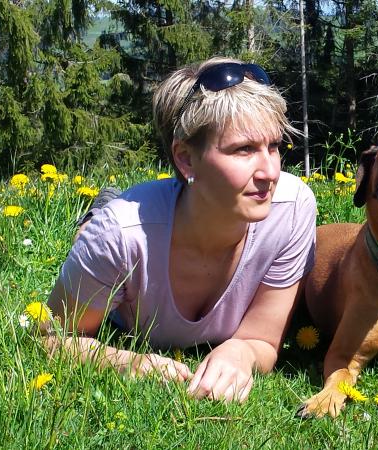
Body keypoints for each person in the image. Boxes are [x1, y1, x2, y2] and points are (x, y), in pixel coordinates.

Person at [45, 57, 317, 403]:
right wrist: (126, 361)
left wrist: (242, 351)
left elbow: (263, 339)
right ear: (186, 158)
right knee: (94, 234)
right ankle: (95, 213)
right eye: (244, 149)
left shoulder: (291, 209)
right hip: (126, 229)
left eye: (273, 146)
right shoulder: (119, 236)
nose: (270, 172)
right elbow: (51, 337)